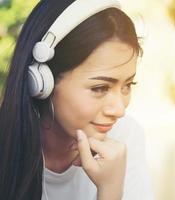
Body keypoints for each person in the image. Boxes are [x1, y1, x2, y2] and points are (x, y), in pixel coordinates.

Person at [0, 0, 154, 200]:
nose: (119, 110)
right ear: (41, 82)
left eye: (127, 86)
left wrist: (110, 190)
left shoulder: (124, 136)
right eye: (100, 88)